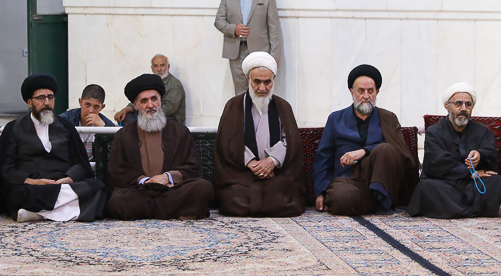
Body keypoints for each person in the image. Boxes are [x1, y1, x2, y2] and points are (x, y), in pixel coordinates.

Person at [0, 73, 107, 223]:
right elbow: (7, 170)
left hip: (62, 185)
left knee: (98, 187)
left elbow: (79, 163)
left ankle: (38, 214)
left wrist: (69, 179)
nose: (47, 103)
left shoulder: (65, 126)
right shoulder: (15, 128)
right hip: (33, 187)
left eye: (50, 97)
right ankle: (66, 211)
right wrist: (33, 182)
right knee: (17, 194)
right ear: (29, 102)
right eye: (41, 98)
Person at [312, 65, 418, 215]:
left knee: (386, 149)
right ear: (352, 92)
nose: (366, 96)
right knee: (342, 198)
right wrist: (321, 192)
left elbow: (400, 152)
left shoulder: (388, 118)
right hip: (348, 182)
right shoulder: (336, 119)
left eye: (370, 91)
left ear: (377, 92)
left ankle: (379, 196)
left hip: (382, 180)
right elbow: (323, 158)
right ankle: (377, 202)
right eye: (361, 91)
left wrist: (364, 151)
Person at [107, 74, 214, 220]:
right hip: (140, 191)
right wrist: (145, 181)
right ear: (136, 106)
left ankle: (149, 211)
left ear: (160, 100)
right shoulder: (123, 135)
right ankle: (173, 211)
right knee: (118, 202)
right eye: (144, 101)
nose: (150, 105)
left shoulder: (180, 131)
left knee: (203, 188)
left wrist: (167, 177)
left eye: (154, 99)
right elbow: (117, 172)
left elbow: (193, 167)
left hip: (171, 189)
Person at [213, 52, 305, 217]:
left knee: (283, 198)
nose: (262, 88)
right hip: (242, 175)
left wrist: (272, 161)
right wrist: (251, 163)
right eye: (257, 82)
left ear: (273, 79)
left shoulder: (283, 106)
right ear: (248, 78)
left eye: (267, 82)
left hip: (275, 174)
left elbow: (291, 141)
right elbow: (227, 141)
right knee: (236, 201)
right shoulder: (234, 105)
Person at [407, 83, 501, 218]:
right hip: (444, 183)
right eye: (458, 104)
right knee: (426, 187)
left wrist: (480, 155)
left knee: (498, 182)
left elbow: (490, 154)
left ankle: (457, 210)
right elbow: (437, 162)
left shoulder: (483, 131)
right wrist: (468, 173)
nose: (464, 109)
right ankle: (481, 209)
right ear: (447, 106)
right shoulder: (434, 132)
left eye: (468, 104)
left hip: (473, 184)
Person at [214, 0, 283, 95]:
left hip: (261, 53)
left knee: (261, 91)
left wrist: (275, 56)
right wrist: (234, 29)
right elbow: (219, 21)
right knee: (240, 93)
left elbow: (274, 29)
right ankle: (243, 111)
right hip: (236, 52)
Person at [114, 55, 187, 125]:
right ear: (152, 68)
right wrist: (125, 110)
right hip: (149, 114)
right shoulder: (151, 81)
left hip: (168, 119)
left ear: (168, 66)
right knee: (126, 117)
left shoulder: (174, 84)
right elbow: (139, 100)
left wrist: (146, 111)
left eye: (162, 65)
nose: (159, 69)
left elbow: (168, 109)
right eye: (156, 66)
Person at [60, 83, 117, 159]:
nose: (90, 110)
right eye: (87, 105)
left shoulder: (104, 122)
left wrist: (103, 128)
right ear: (80, 102)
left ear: (102, 107)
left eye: (96, 107)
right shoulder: (66, 119)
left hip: (95, 165)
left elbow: (118, 146)